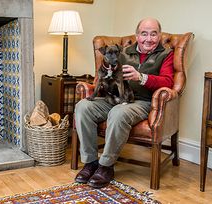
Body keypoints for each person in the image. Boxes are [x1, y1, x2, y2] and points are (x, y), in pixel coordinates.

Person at [74, 17, 174, 188]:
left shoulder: (166, 54)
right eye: (144, 34)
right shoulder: (123, 52)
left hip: (142, 102)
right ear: (137, 35)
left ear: (159, 36)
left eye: (153, 34)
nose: (148, 39)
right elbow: (104, 72)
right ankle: (91, 162)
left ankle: (106, 165)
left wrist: (141, 77)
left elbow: (168, 82)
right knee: (82, 106)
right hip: (113, 97)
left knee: (118, 113)